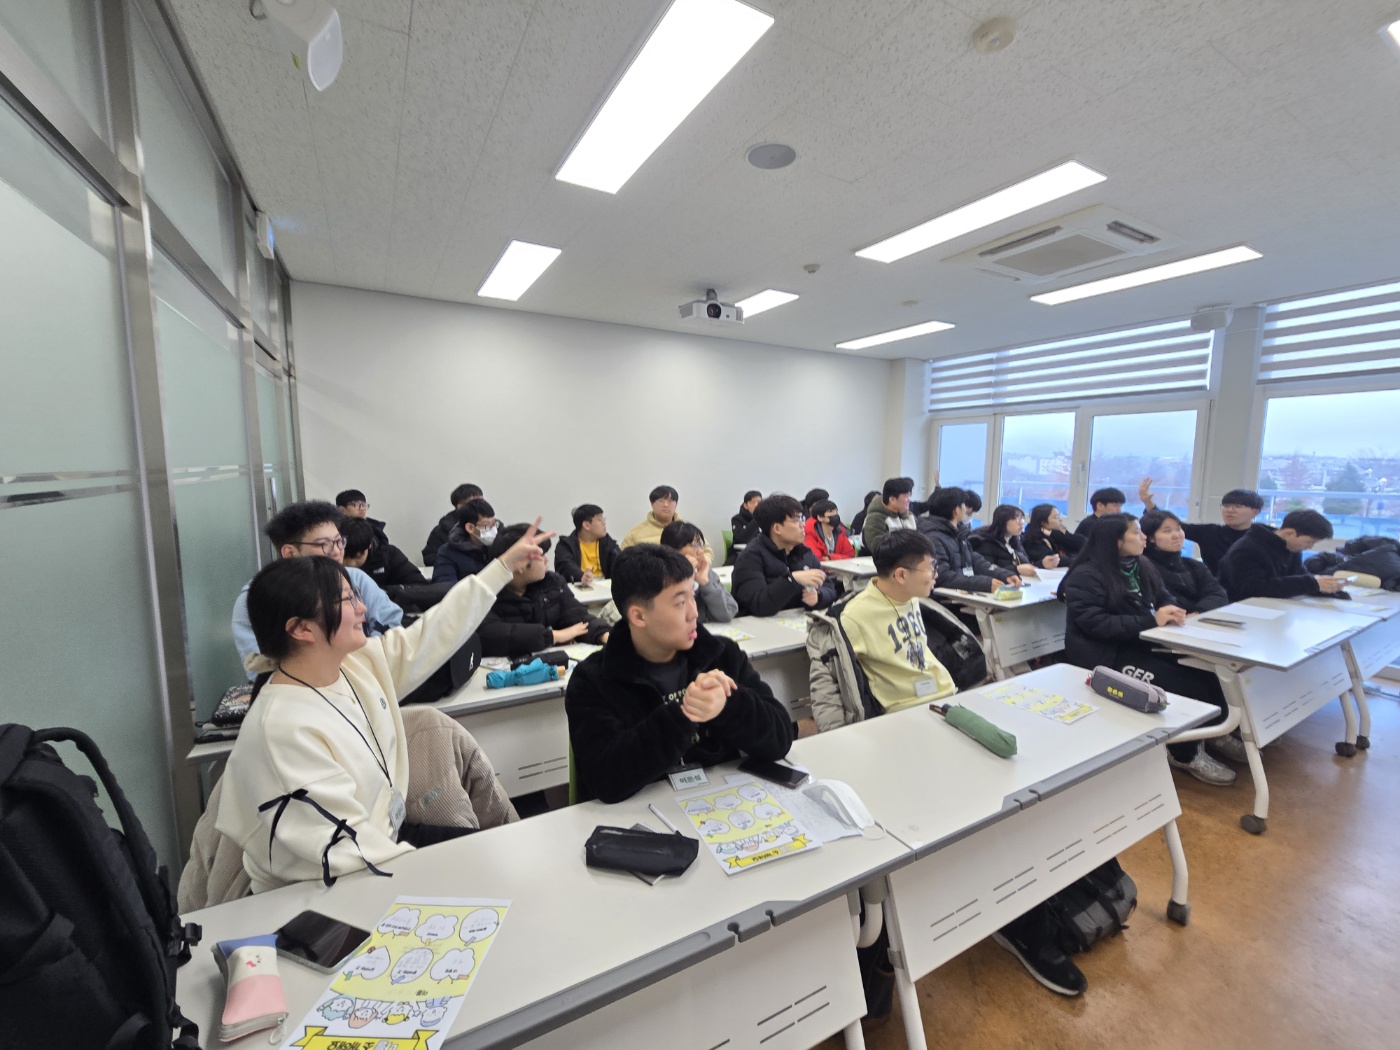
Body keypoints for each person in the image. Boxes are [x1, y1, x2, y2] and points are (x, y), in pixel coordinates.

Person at [805, 528, 1075, 997]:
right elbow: (829, 688)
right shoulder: (852, 617)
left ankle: (1031, 903)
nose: (938, 575)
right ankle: (1004, 919)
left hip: (947, 708)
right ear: (901, 574)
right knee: (980, 808)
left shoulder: (914, 600)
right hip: (902, 730)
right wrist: (842, 749)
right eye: (930, 568)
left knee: (1023, 789)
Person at [216, 522, 550, 892]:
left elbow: (431, 634)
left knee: (505, 857)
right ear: (301, 629)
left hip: (380, 842)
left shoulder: (352, 664)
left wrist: (502, 567)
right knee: (493, 877)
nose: (362, 608)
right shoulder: (282, 729)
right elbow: (346, 854)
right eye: (347, 600)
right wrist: (449, 875)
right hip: (324, 886)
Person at [565, 544, 794, 803]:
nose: (694, 613)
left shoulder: (720, 655)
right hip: (645, 811)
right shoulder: (594, 679)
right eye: (680, 603)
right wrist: (683, 715)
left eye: (693, 596)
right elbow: (604, 781)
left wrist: (729, 703)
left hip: (722, 802)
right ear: (639, 616)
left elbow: (781, 740)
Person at [1059, 514, 1239, 783]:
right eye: (1136, 533)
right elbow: (1095, 624)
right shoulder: (1086, 575)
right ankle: (1183, 753)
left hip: (1143, 642)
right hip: (1105, 654)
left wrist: (1171, 609)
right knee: (1184, 685)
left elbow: (1162, 595)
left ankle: (1214, 731)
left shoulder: (1140, 564)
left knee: (1209, 671)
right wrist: (1151, 621)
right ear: (1117, 541)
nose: (1144, 537)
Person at [233, 501, 403, 675]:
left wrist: (362, 664)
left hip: (365, 675)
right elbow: (260, 668)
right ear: (290, 553)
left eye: (339, 541)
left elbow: (390, 624)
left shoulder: (356, 579)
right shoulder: (257, 599)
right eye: (324, 544)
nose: (337, 551)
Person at [476, 523, 611, 657]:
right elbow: (491, 634)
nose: (546, 560)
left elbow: (577, 616)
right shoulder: (486, 592)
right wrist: (553, 636)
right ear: (519, 563)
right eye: (540, 555)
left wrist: (604, 635)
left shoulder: (552, 583)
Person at [733, 494, 837, 616]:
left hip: (799, 621)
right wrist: (792, 580)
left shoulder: (805, 553)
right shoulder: (750, 557)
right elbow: (757, 605)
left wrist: (819, 596)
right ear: (777, 528)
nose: (802, 525)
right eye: (796, 520)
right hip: (761, 624)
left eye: (802, 518)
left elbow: (830, 589)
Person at [1218, 510, 1347, 602]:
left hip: (1275, 605)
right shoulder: (1247, 549)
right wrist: (1312, 583)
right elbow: (1254, 588)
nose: (1310, 547)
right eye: (1309, 542)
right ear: (1290, 533)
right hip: (1241, 607)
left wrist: (1324, 587)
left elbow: (1298, 576)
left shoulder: (1290, 547)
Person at [1139, 481, 1266, 574]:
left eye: (1237, 506)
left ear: (1254, 512)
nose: (1229, 510)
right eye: (1226, 506)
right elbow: (1172, 525)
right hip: (1217, 588)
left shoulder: (1263, 537)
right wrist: (1149, 504)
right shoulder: (1210, 532)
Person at [918, 487, 1020, 593]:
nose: (966, 509)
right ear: (956, 510)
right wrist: (985, 583)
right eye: (963, 505)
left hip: (960, 594)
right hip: (945, 598)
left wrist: (1004, 575)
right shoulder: (933, 537)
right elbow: (942, 576)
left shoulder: (958, 533)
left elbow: (976, 561)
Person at [1140, 509, 1229, 613]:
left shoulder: (1193, 565)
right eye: (1167, 531)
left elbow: (1218, 593)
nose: (1176, 535)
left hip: (1197, 618)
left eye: (1178, 529)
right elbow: (1166, 602)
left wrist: (1197, 613)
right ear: (1151, 538)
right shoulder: (1145, 567)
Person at [662, 521, 737, 623]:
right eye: (694, 545)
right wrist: (686, 577)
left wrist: (705, 583)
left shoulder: (704, 572)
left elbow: (727, 613)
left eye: (701, 544)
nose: (701, 551)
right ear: (674, 551)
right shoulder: (663, 578)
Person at [620, 485, 712, 560]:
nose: (666, 505)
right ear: (652, 504)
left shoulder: (688, 530)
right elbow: (623, 558)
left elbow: (707, 550)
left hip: (689, 573)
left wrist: (703, 565)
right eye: (660, 501)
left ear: (676, 504)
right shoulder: (636, 533)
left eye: (670, 501)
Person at [341, 516, 424, 589]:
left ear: (369, 546)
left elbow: (420, 586)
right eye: (345, 557)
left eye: (358, 557)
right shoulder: (334, 561)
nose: (351, 564)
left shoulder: (389, 555)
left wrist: (383, 593)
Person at [432, 498, 497, 584]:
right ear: (470, 528)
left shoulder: (499, 546)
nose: (493, 530)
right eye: (486, 525)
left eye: (494, 524)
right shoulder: (447, 553)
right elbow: (445, 586)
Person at [553, 504, 620, 584]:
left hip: (606, 586)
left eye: (603, 519)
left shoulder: (608, 543)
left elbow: (620, 562)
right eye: (600, 520)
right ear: (586, 525)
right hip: (578, 585)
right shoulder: (566, 545)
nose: (604, 523)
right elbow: (566, 565)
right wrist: (581, 576)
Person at [421, 483, 484, 566]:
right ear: (460, 506)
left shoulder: (492, 525)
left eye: (481, 501)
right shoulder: (442, 530)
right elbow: (429, 557)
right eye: (474, 502)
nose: (480, 506)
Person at [970, 504, 1038, 577]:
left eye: (1022, 518)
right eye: (1017, 518)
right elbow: (986, 570)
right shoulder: (986, 542)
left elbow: (1025, 563)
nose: (1022, 523)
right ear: (1003, 521)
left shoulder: (1014, 540)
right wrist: (1016, 569)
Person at [860, 477, 917, 554]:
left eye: (909, 496)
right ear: (892, 500)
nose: (909, 500)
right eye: (906, 496)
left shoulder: (909, 516)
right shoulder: (875, 518)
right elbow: (878, 548)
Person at [1022, 504, 1083, 568]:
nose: (1061, 519)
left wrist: (1055, 534)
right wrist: (1080, 561)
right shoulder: (1033, 540)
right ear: (1043, 523)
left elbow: (1083, 542)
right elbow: (1053, 559)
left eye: (1059, 516)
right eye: (1056, 517)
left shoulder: (1056, 533)